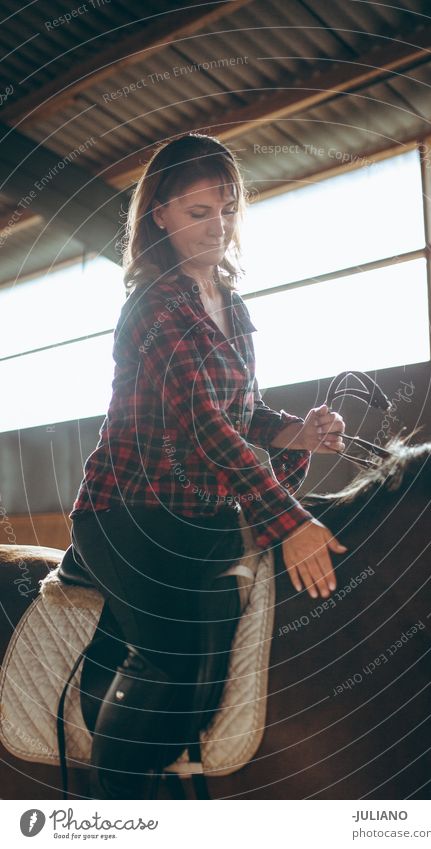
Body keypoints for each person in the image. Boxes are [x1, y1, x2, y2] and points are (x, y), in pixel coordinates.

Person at [68, 132, 347, 799]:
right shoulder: (157, 305)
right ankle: (114, 810)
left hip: (201, 514)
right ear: (159, 214)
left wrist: (298, 432)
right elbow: (203, 423)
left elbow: (243, 412)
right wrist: (292, 523)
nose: (216, 226)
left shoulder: (234, 306)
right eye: (198, 212)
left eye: (225, 209)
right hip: (129, 515)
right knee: (173, 661)